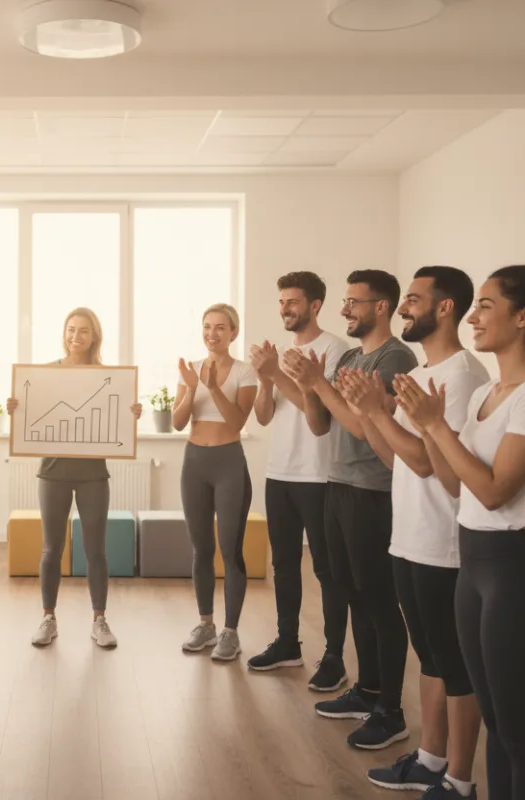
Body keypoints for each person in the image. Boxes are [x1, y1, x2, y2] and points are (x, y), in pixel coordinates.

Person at [394, 265, 525, 800]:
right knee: (494, 720)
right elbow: (455, 483)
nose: (472, 316)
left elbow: (494, 492)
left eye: (485, 305)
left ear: (524, 316)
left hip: (516, 575)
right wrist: (427, 427)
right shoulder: (489, 392)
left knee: (520, 732)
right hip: (475, 569)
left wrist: (438, 427)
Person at [339, 268, 489, 798]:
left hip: (443, 541)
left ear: (444, 308)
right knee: (431, 659)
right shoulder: (423, 372)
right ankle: (430, 758)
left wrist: (383, 414)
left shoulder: (463, 375)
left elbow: (428, 465)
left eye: (413, 300)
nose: (403, 308)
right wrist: (373, 415)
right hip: (409, 536)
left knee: (454, 663)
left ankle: (457, 778)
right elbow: (395, 459)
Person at [281, 269, 418, 750]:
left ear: (381, 307)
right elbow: (321, 425)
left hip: (373, 493)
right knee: (354, 593)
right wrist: (308, 383)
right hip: (338, 485)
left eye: (354, 302)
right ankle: (368, 689)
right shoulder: (353, 357)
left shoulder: (396, 356)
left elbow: (364, 428)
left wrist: (321, 383)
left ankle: (391, 711)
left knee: (380, 602)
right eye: (344, 301)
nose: (345, 310)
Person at [6, 307, 141, 649]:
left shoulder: (109, 378)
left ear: (94, 335)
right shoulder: (46, 373)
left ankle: (100, 621)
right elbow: (33, 414)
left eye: (83, 331)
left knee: (96, 550)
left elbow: (115, 421)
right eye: (70, 329)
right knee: (52, 548)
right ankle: (48, 618)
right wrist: (16, 408)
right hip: (53, 473)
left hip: (93, 475)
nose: (75, 336)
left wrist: (132, 413)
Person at [245, 272, 351, 692]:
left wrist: (278, 373)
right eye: (282, 302)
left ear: (315, 305)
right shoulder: (282, 352)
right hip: (280, 473)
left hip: (319, 475)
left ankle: (334, 657)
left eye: (293, 302)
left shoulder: (335, 350)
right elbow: (264, 416)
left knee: (326, 569)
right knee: (283, 564)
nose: (286, 309)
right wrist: (266, 377)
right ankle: (288, 644)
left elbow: (319, 416)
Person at [174, 303, 258, 663]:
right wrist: (193, 389)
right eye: (208, 326)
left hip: (228, 464)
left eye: (221, 327)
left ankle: (230, 631)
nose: (213, 333)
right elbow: (178, 421)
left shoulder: (245, 372)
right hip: (194, 463)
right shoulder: (189, 370)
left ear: (233, 332)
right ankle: (206, 624)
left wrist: (212, 387)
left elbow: (237, 421)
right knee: (201, 549)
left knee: (230, 550)